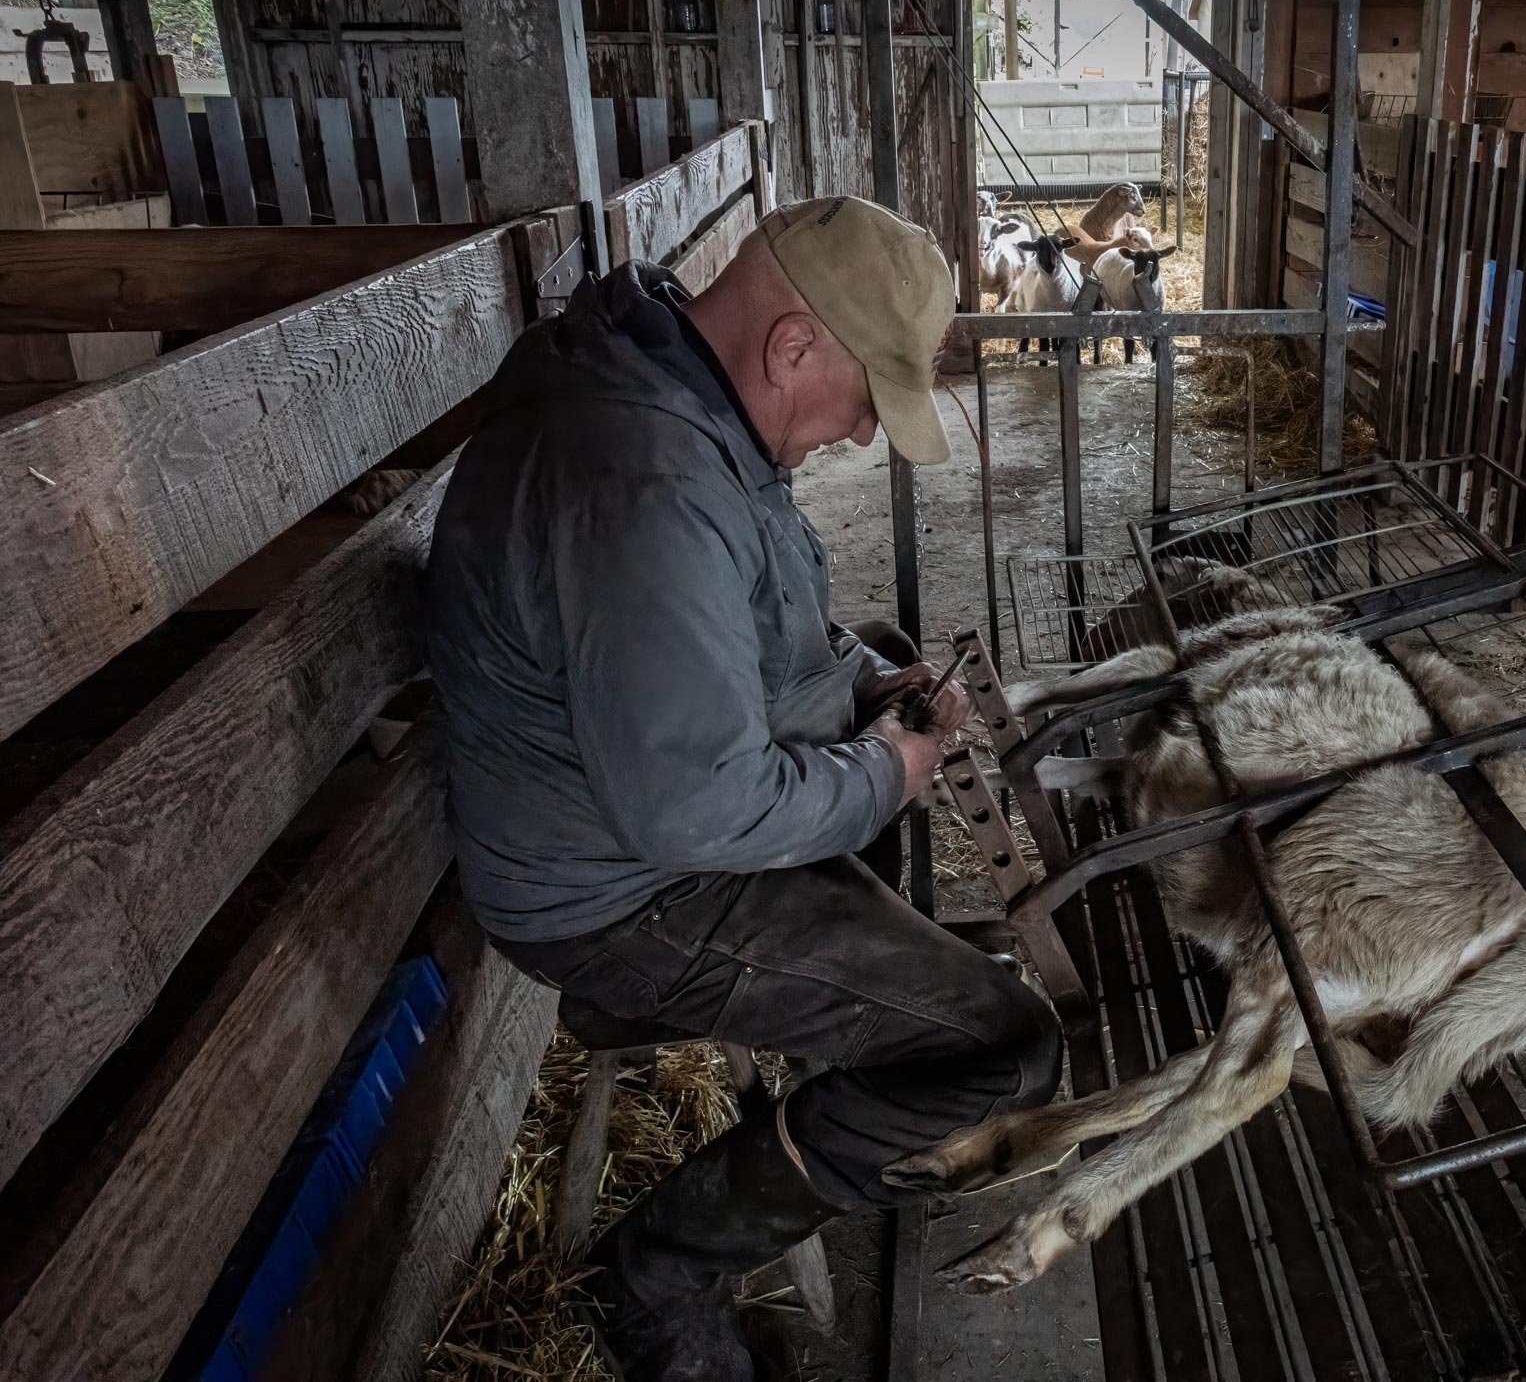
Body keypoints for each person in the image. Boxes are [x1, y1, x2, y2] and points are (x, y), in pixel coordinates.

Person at [424, 196, 1062, 1381]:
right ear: (793, 346)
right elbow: (696, 809)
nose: (865, 438)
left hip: (609, 818)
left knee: (867, 648)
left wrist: (869, 684)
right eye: (869, 402)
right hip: (620, 894)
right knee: (1004, 1047)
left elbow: (738, 635)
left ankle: (829, 1023)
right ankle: (659, 1276)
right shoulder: (648, 482)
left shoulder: (666, 376)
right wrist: (886, 773)